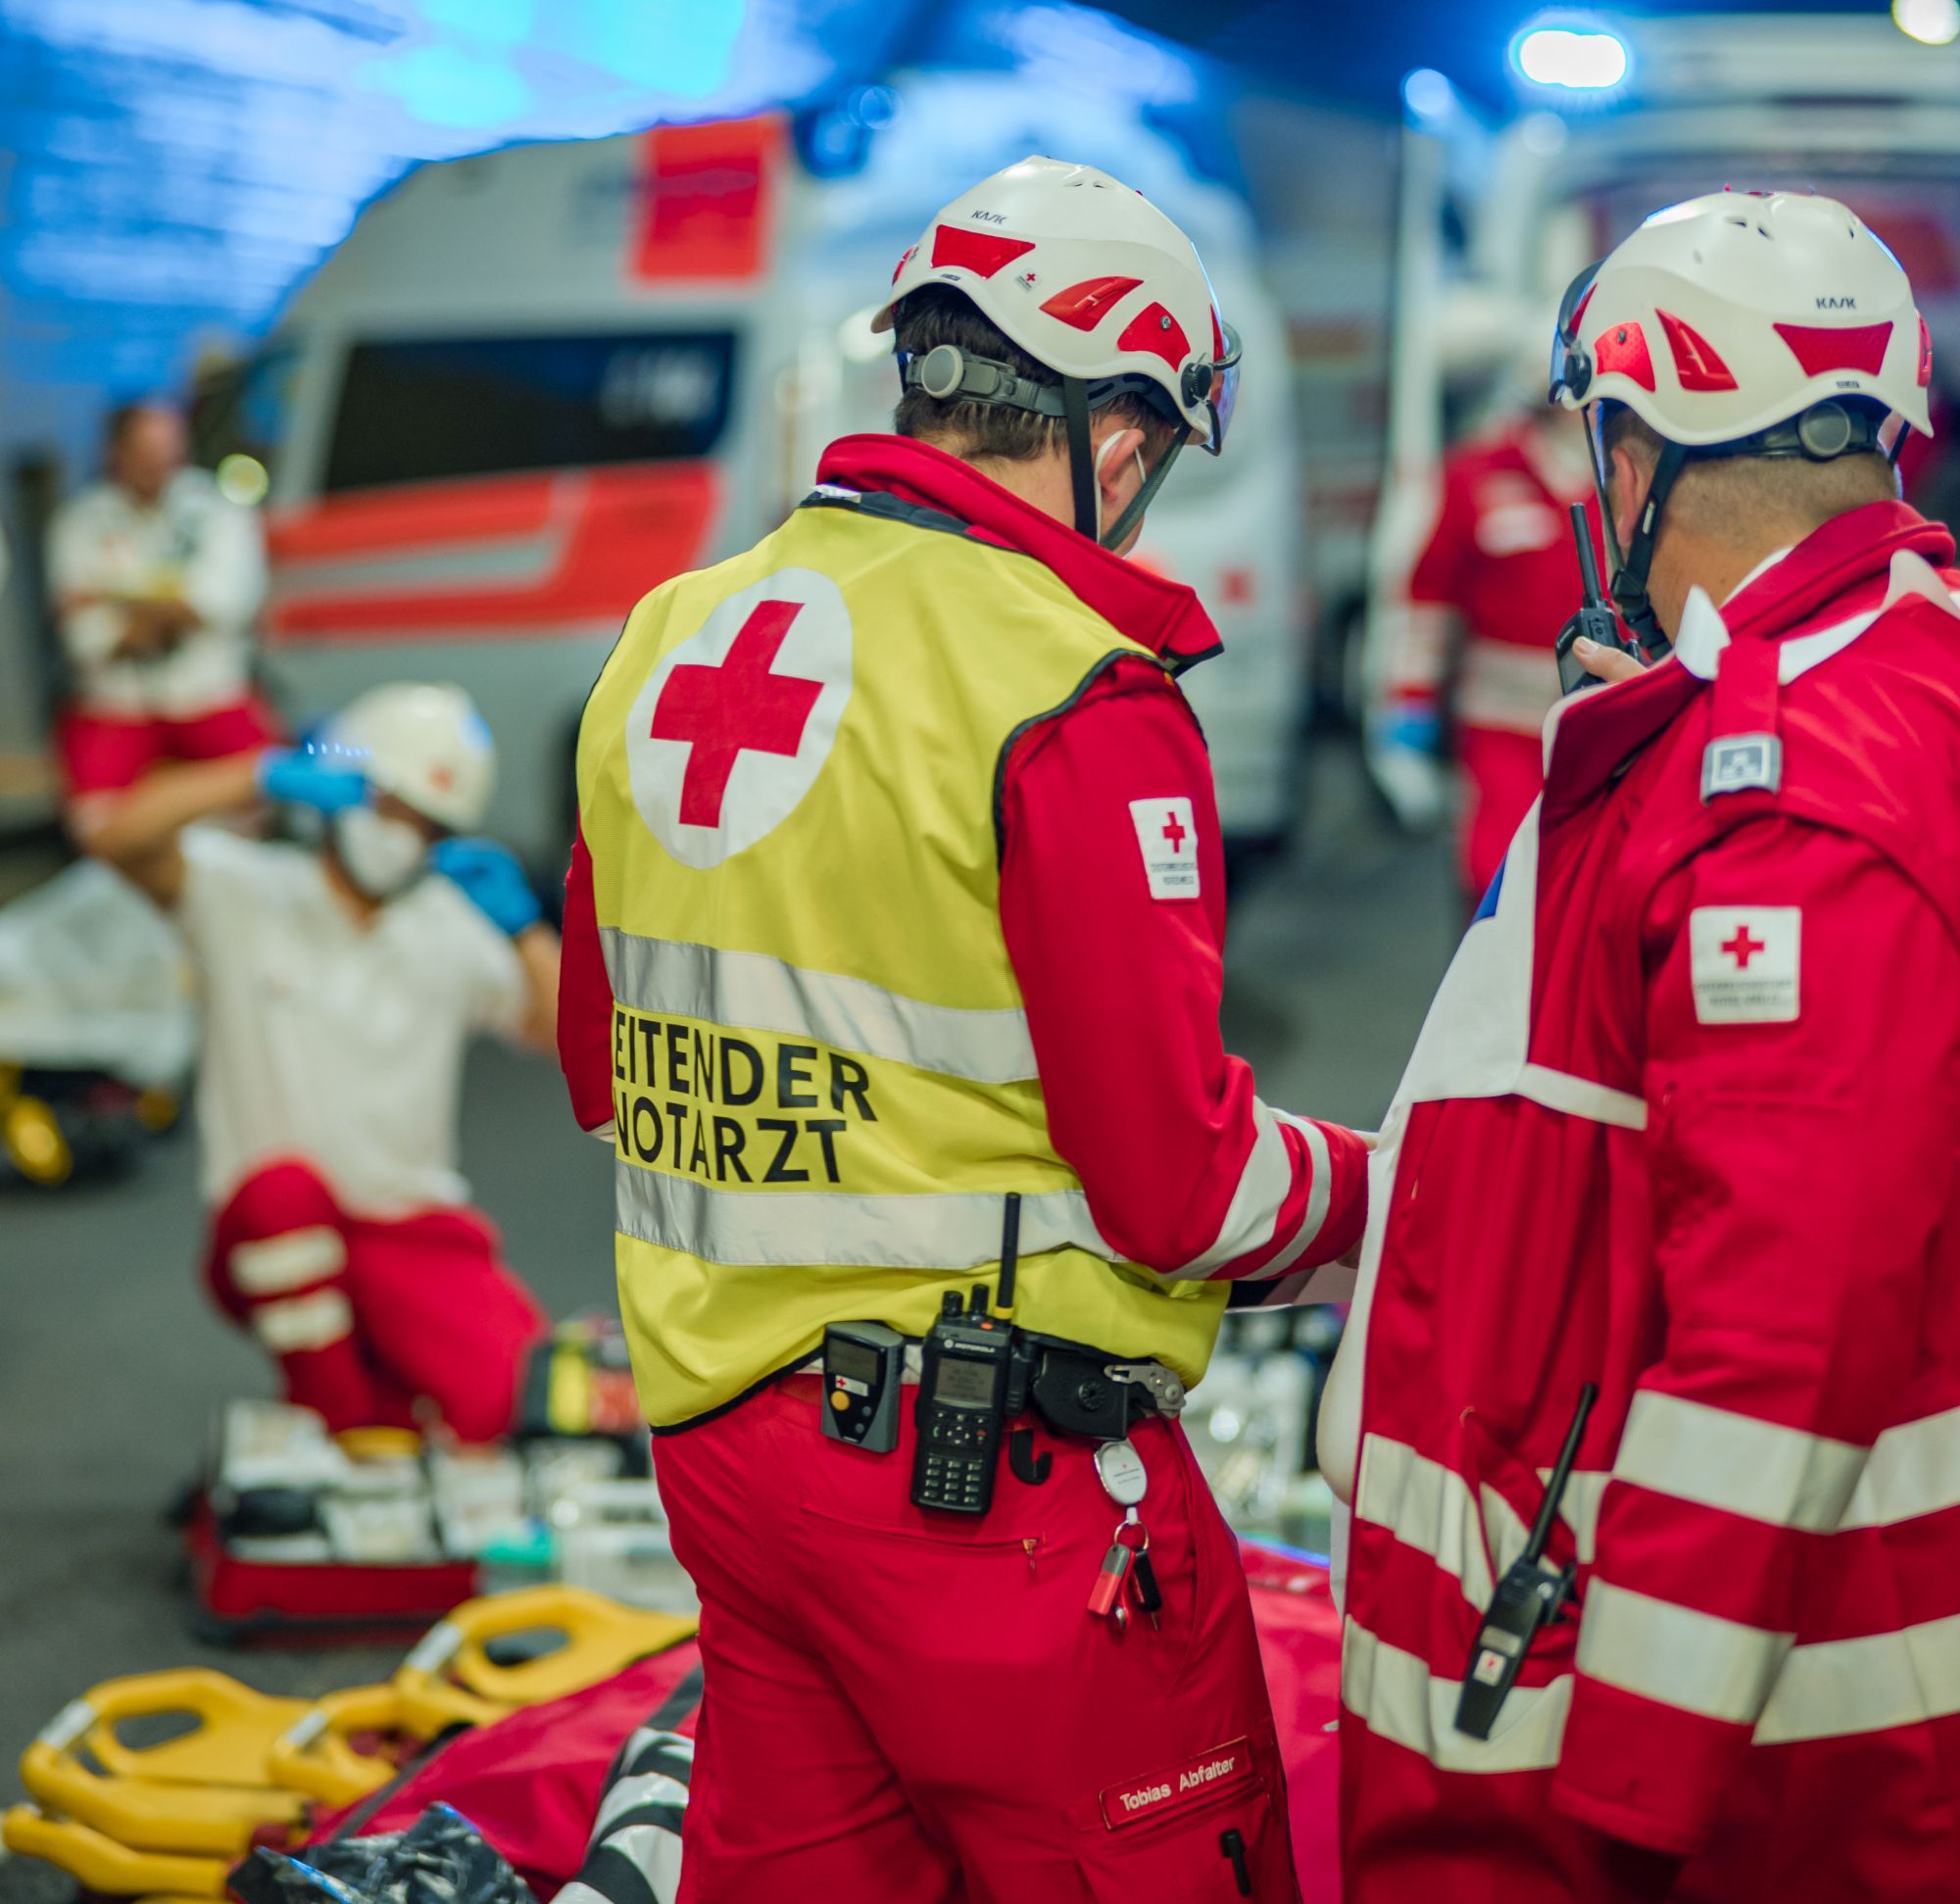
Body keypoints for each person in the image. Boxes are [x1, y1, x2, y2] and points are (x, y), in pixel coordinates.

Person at [558, 156, 1370, 1900]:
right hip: (994, 1500)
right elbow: (1179, 1193)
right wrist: (1395, 1191)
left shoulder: (666, 637)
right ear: (1122, 428)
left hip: (725, 1458)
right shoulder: (1068, 687)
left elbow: (594, 1064)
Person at [1319, 190, 1960, 1902]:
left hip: (1730, 1758)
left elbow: (1784, 1311)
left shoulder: (1797, 777)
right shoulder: (1845, 691)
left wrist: (1629, 1779)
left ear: (1632, 445)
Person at [92, 684, 557, 1443]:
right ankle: (337, 1414)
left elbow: (564, 1034)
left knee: (503, 1400)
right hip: (270, 1226)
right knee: (283, 1197)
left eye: (424, 822)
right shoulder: (241, 889)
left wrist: (525, 929)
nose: (400, 835)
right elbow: (120, 838)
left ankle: (388, 1392)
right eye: (386, 805)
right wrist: (260, 773)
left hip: (409, 1225)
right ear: (341, 794)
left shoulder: (448, 924)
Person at [1369, 386, 1596, 903]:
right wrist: (1411, 707)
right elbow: (1429, 601)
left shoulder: (1629, 472)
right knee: (1497, 882)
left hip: (1605, 725)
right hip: (1501, 733)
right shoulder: (1478, 474)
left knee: (1593, 888)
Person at [48, 400, 277, 829]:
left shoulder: (216, 509)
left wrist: (111, 596)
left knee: (265, 798)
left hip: (209, 695)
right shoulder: (79, 522)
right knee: (94, 823)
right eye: (147, 455)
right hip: (118, 704)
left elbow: (225, 603)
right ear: (115, 453)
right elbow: (85, 637)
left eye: (168, 453)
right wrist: (175, 601)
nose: (161, 466)